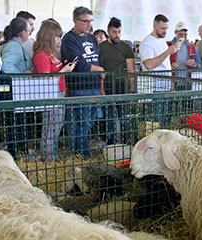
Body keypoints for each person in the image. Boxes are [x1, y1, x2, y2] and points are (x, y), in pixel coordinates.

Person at [61, 6, 105, 158]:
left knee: (90, 120)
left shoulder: (92, 38)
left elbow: (98, 59)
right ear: (75, 20)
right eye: (85, 21)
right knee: (82, 121)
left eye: (90, 21)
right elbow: (78, 64)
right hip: (80, 86)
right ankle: (81, 154)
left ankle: (80, 151)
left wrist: (100, 76)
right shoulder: (69, 39)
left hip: (93, 85)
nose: (88, 24)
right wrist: (99, 69)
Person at [33, 20, 77, 161]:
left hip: (59, 92)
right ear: (49, 36)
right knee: (50, 128)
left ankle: (52, 155)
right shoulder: (42, 56)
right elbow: (45, 80)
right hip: (50, 95)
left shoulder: (51, 54)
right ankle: (48, 158)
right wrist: (64, 70)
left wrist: (64, 67)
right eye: (57, 36)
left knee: (55, 127)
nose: (59, 39)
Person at [99, 17, 135, 144]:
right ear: (108, 31)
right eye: (114, 31)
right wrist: (101, 89)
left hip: (122, 87)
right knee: (109, 116)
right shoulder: (101, 48)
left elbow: (131, 71)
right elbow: (100, 70)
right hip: (108, 87)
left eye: (119, 31)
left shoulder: (126, 48)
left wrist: (132, 91)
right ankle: (110, 143)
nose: (117, 35)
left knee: (124, 116)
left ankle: (125, 142)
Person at [0, 17, 33, 157]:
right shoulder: (14, 46)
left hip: (17, 89)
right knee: (16, 122)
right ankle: (16, 151)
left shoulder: (15, 44)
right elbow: (6, 66)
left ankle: (20, 150)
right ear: (23, 32)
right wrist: (22, 74)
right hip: (14, 89)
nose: (30, 31)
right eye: (29, 28)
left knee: (18, 121)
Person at [139, 14, 179, 91]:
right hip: (154, 88)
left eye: (167, 28)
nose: (165, 31)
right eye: (162, 28)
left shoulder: (162, 40)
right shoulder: (147, 43)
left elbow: (163, 64)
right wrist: (167, 52)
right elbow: (149, 65)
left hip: (165, 86)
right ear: (154, 26)